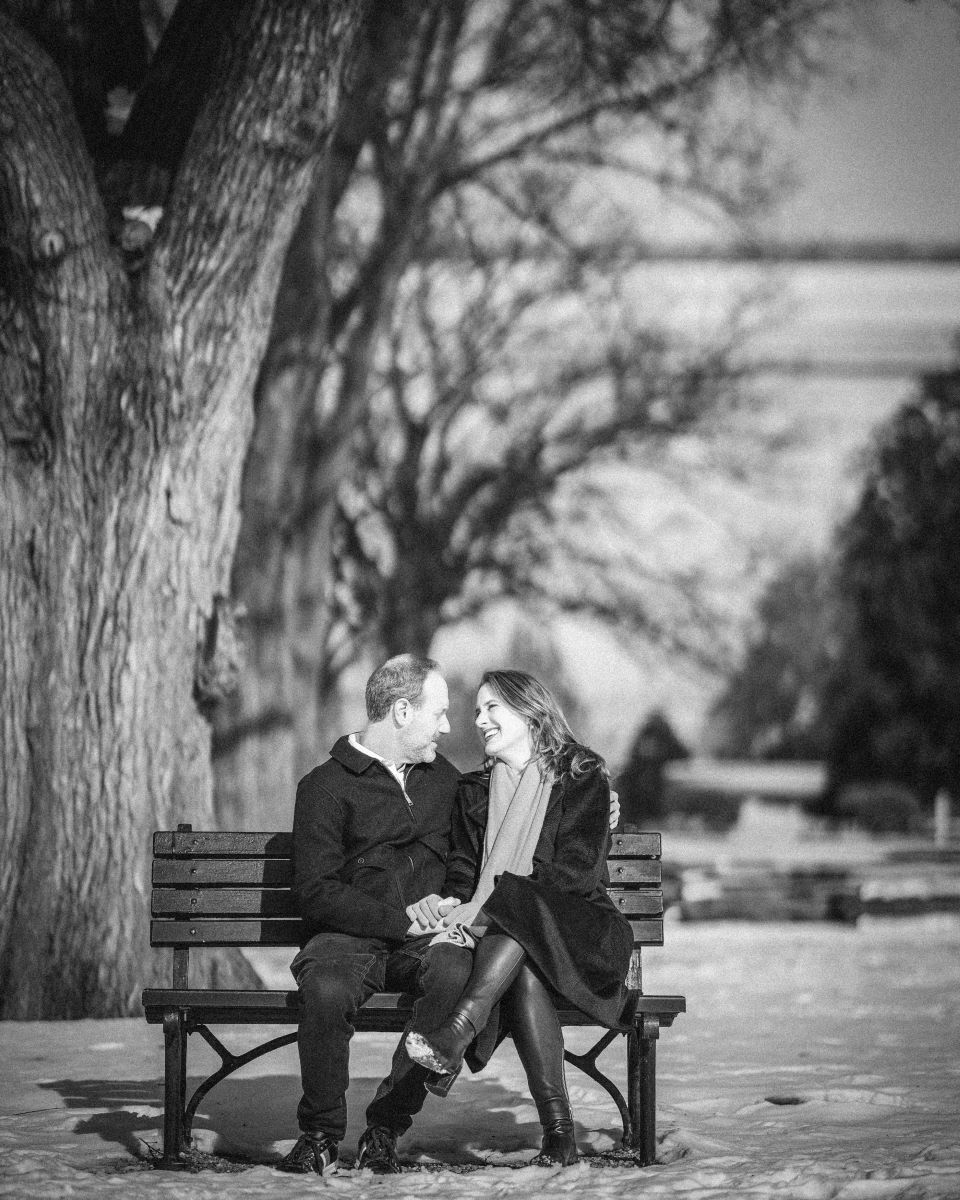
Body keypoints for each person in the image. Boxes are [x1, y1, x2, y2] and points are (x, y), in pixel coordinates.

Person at [277, 655, 621, 1176]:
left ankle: (385, 1127)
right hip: (355, 936)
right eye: (441, 712)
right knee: (325, 987)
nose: (454, 724)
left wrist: (604, 808)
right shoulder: (329, 787)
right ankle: (320, 1134)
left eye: (487, 708)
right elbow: (319, 889)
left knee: (456, 972)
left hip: (485, 933)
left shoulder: (451, 781)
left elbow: (531, 866)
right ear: (400, 712)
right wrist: (418, 914)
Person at [403, 669, 634, 1167]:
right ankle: (559, 1134)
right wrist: (450, 902)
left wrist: (498, 906)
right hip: (512, 946)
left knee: (521, 913)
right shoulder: (474, 790)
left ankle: (460, 1028)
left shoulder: (581, 774)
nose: (479, 719)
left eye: (492, 708)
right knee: (525, 964)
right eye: (477, 710)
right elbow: (465, 873)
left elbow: (574, 874)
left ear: (530, 712)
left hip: (580, 929)